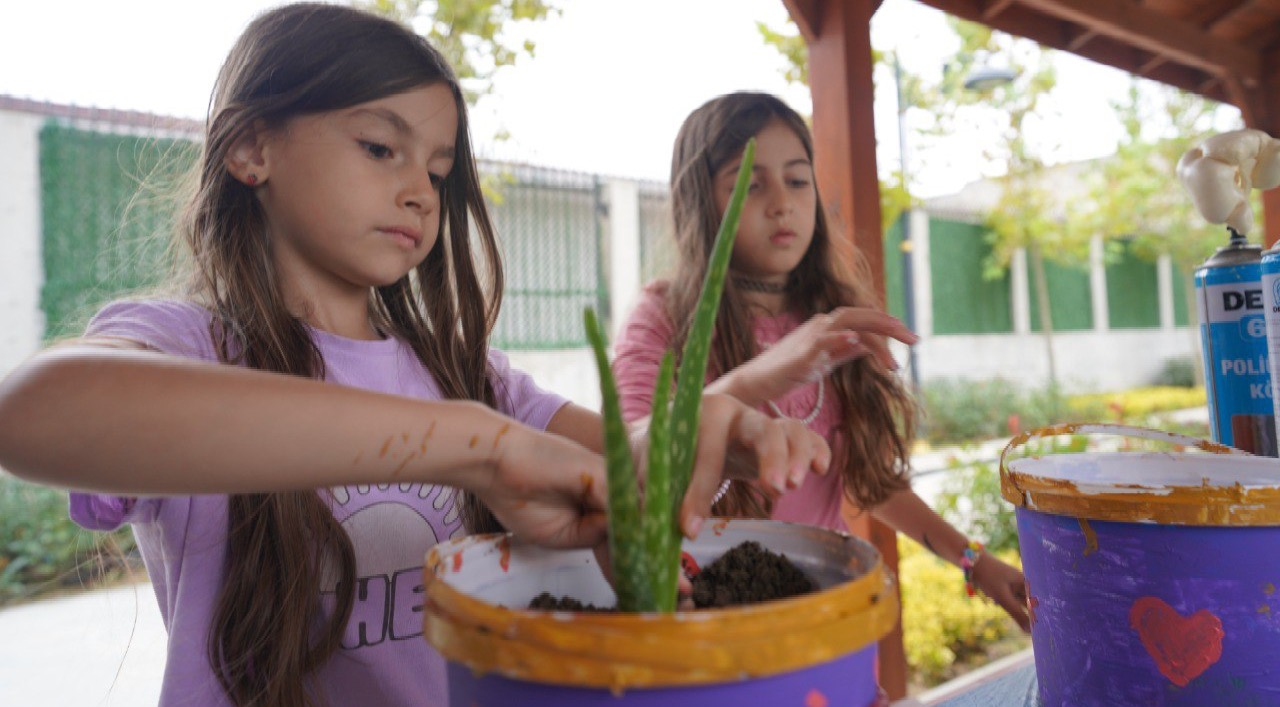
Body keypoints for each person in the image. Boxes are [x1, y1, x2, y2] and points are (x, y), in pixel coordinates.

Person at [0, 12, 830, 707]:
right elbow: (33, 409)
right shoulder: (189, 346)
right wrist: (480, 444)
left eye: (437, 169)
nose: (421, 191)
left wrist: (718, 414)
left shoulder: (470, 374)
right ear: (252, 148)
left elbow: (624, 472)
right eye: (379, 148)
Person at [613, 92, 1031, 632]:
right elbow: (635, 462)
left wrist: (976, 562)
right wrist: (763, 375)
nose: (781, 203)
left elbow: (873, 482)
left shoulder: (832, 320)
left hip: (825, 616)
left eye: (797, 179)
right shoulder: (662, 318)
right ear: (699, 198)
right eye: (749, 182)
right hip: (706, 631)